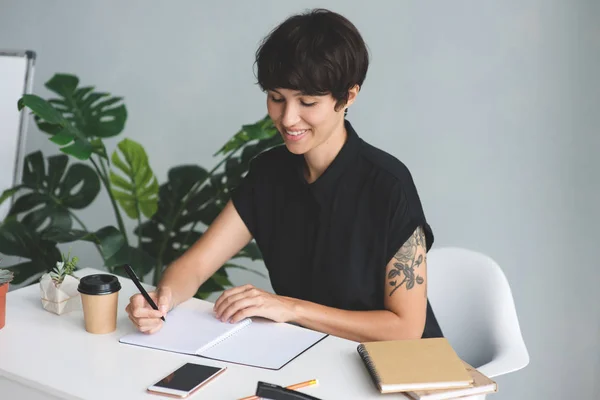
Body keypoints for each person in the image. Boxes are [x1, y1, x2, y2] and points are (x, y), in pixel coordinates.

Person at [126, 8, 443, 342]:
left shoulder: (389, 185)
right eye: (276, 98)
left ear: (349, 95)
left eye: (307, 102)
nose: (288, 118)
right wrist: (161, 300)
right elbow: (194, 266)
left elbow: (406, 330)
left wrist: (292, 309)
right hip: (314, 358)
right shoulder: (269, 174)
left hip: (406, 375)